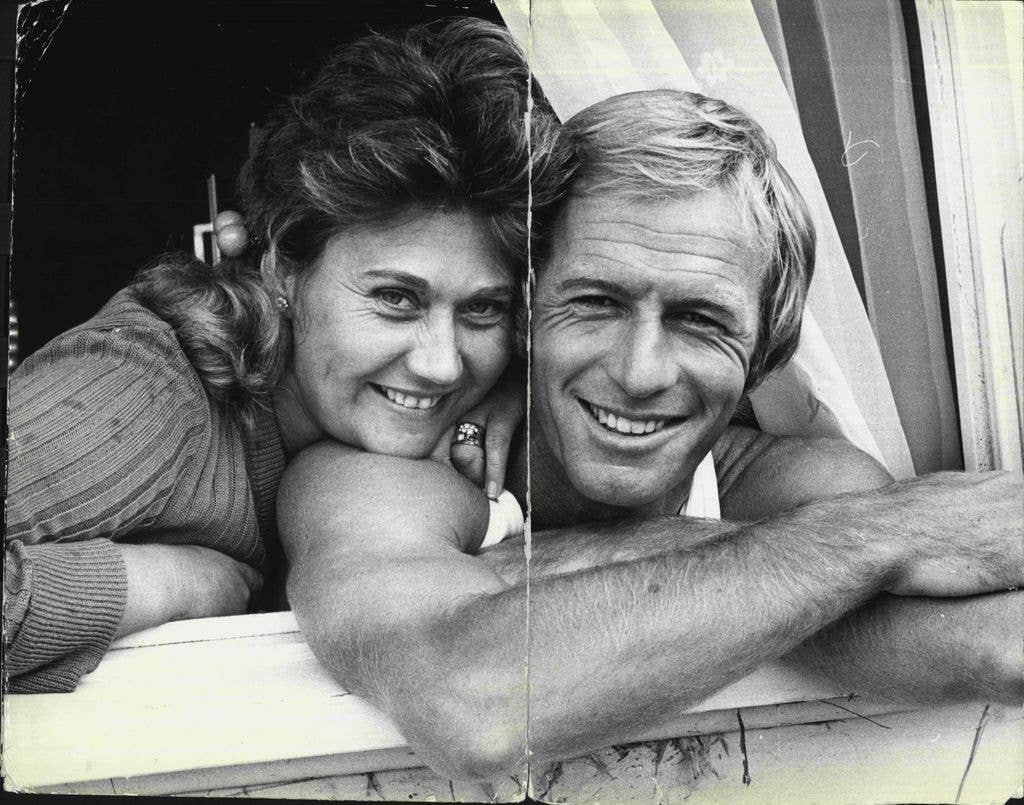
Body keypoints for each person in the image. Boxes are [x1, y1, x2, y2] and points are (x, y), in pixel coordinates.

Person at [277, 89, 1023, 779]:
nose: (639, 372)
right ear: (523, 315)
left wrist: (816, 542)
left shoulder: (809, 489)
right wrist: (859, 542)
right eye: (595, 302)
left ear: (764, 350)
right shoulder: (382, 478)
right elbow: (471, 702)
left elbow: (998, 644)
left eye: (700, 319)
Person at [3, 18, 571, 694]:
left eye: (483, 308)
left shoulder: (454, 394)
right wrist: (176, 584)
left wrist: (518, 386)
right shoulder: (148, 391)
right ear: (282, 268)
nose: (443, 364)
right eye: (396, 298)